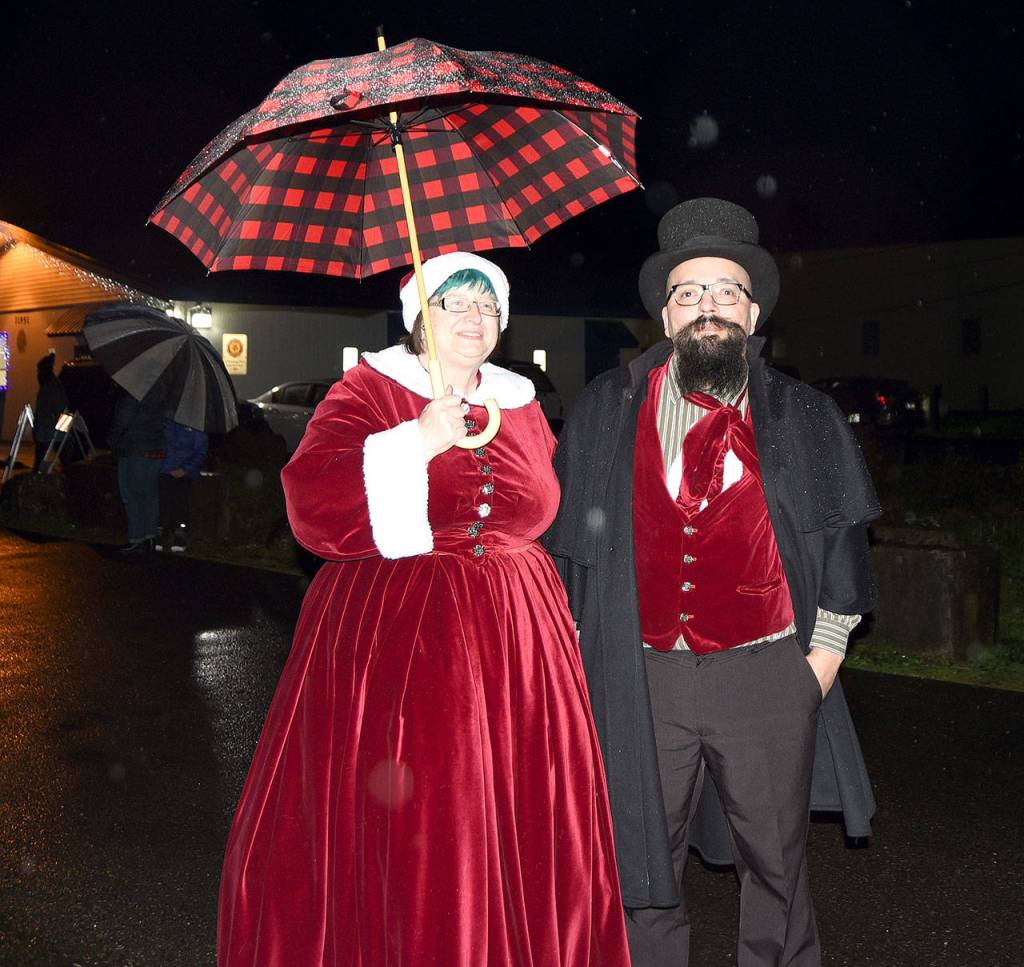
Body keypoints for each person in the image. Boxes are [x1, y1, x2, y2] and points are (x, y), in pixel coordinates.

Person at [217, 252, 631, 967]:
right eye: (454, 304)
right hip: (401, 631)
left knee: (517, 813)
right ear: (419, 319)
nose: (474, 319)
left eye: (487, 307)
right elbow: (311, 499)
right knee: (429, 815)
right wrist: (415, 441)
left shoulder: (521, 400)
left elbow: (548, 508)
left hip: (519, 638)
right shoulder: (370, 390)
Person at [544, 198, 881, 967]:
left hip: (766, 675)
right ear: (665, 316)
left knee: (778, 871)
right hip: (640, 676)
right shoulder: (603, 410)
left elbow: (843, 557)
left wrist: (813, 672)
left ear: (752, 312)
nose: (708, 307)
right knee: (641, 870)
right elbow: (561, 555)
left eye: (726, 291)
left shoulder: (801, 416)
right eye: (690, 292)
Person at [108, 386, 166, 554]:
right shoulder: (162, 393)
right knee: (150, 493)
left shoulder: (132, 392)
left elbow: (122, 421)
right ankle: (150, 536)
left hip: (134, 449)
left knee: (131, 493)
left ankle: (136, 538)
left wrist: (112, 440)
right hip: (157, 449)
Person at [155, 420, 208, 552]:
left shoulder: (197, 426)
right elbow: (160, 443)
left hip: (185, 474)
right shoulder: (167, 422)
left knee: (181, 504)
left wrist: (185, 469)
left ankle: (179, 534)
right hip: (164, 470)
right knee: (163, 503)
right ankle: (161, 533)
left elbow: (201, 452)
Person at [33, 352, 69, 471]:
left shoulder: (51, 387)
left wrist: (61, 431)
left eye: (39, 371)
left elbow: (60, 408)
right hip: (49, 427)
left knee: (44, 454)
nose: (37, 374)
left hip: (49, 428)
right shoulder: (50, 385)